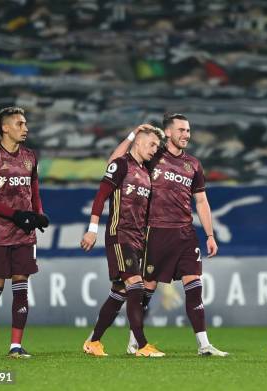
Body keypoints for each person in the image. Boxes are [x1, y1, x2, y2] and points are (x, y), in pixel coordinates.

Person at [107, 113, 228, 356]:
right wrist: (132, 135)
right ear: (169, 132)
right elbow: (115, 162)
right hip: (155, 232)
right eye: (181, 130)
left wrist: (210, 234)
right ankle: (135, 341)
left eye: (188, 130)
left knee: (194, 286)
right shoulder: (153, 155)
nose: (186, 134)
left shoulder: (193, 164)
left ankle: (204, 345)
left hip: (185, 233)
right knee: (146, 290)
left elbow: (201, 200)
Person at [81, 126, 165, 357]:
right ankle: (141, 345)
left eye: (157, 146)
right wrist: (92, 229)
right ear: (138, 143)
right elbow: (101, 196)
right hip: (120, 235)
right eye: (151, 144)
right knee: (136, 287)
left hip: (139, 239)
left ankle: (94, 341)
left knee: (118, 293)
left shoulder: (146, 171)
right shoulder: (121, 165)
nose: (154, 150)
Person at [0, 106, 49, 358]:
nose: (25, 128)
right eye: (20, 124)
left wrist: (39, 213)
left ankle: (15, 346)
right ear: (5, 127)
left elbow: (33, 189)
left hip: (24, 233)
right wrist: (16, 215)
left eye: (25, 124)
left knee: (21, 285)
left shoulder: (30, 157)